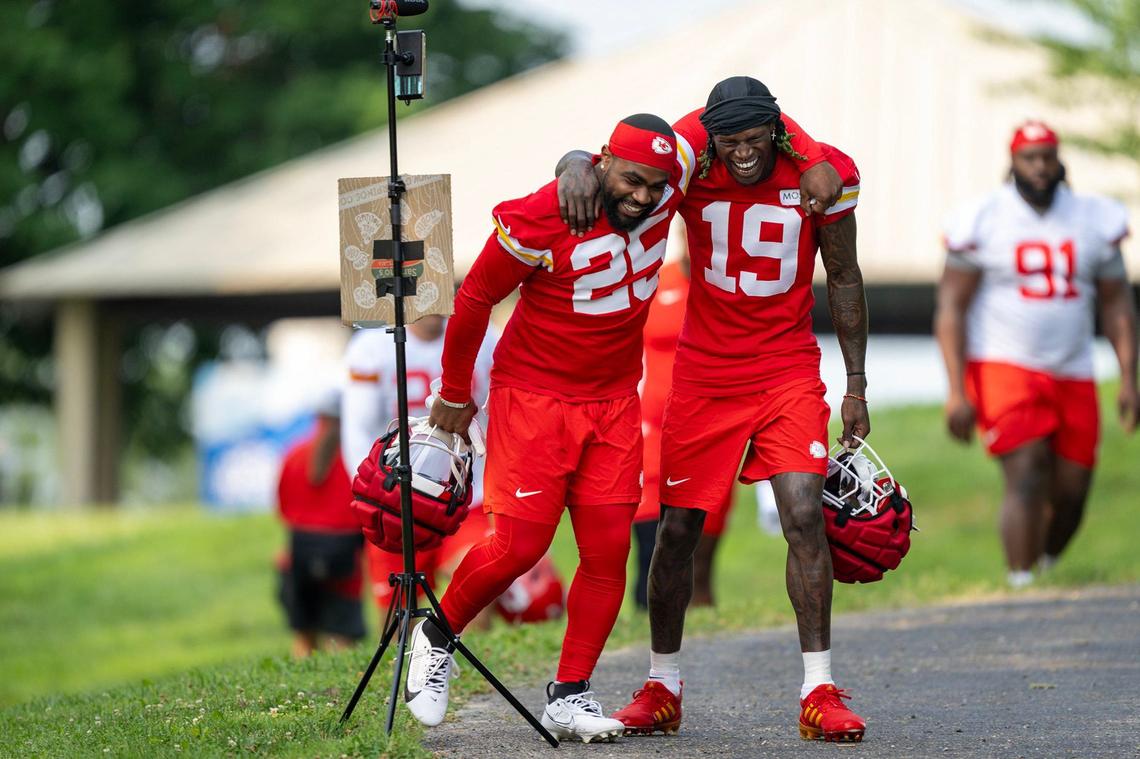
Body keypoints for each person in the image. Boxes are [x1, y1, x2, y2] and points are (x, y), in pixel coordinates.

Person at [558, 76, 869, 742]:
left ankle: (818, 685)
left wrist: (857, 383)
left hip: (786, 368)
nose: (745, 154)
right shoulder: (695, 160)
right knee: (676, 532)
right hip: (705, 374)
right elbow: (634, 162)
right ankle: (662, 683)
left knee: (805, 513)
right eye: (731, 141)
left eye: (756, 139)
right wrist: (575, 164)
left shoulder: (822, 172)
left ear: (776, 130)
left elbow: (843, 275)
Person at [405, 114, 686, 743]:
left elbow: (712, 126)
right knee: (520, 546)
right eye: (633, 180)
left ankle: (571, 692)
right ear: (608, 162)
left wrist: (575, 156)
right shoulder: (545, 213)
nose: (644, 196)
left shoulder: (669, 186)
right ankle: (434, 634)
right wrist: (453, 392)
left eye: (656, 185)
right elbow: (475, 296)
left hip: (614, 399)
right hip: (534, 397)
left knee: (610, 551)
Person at [935, 121, 1137, 589]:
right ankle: (1020, 583)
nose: (1041, 167)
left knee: (1073, 490)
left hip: (1073, 367)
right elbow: (951, 308)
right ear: (1013, 162)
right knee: (1026, 471)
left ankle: (1041, 567)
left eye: (1047, 156)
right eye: (1030, 157)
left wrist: (1129, 377)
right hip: (1003, 363)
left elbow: (1116, 306)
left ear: (1059, 158)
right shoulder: (983, 217)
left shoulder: (1093, 217)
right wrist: (954, 390)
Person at [341, 314, 497, 615]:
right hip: (395, 492)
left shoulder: (484, 334)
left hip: (464, 489)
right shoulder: (372, 347)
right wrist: (369, 491)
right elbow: (358, 428)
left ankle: (461, 652)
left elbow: (500, 406)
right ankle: (409, 660)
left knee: (476, 579)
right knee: (398, 602)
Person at [633, 255, 733, 609]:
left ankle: (703, 635)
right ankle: (648, 629)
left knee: (700, 562)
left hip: (711, 431)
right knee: (652, 546)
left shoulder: (729, 285)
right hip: (651, 428)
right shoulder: (656, 282)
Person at [275, 390, 365, 658]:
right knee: (341, 642)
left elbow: (283, 509)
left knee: (303, 639)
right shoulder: (357, 459)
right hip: (345, 560)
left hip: (298, 557)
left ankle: (303, 690)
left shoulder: (294, 454)